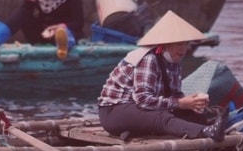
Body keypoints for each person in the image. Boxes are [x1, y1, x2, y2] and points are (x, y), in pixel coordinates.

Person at [97, 10, 228, 142]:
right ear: (165, 44)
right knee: (162, 117)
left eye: (186, 44)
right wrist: (181, 103)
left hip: (138, 108)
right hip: (114, 111)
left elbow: (174, 95)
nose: (184, 49)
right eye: (179, 44)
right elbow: (143, 100)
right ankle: (205, 132)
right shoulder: (148, 59)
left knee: (192, 114)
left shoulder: (174, 61)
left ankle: (212, 126)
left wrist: (191, 104)